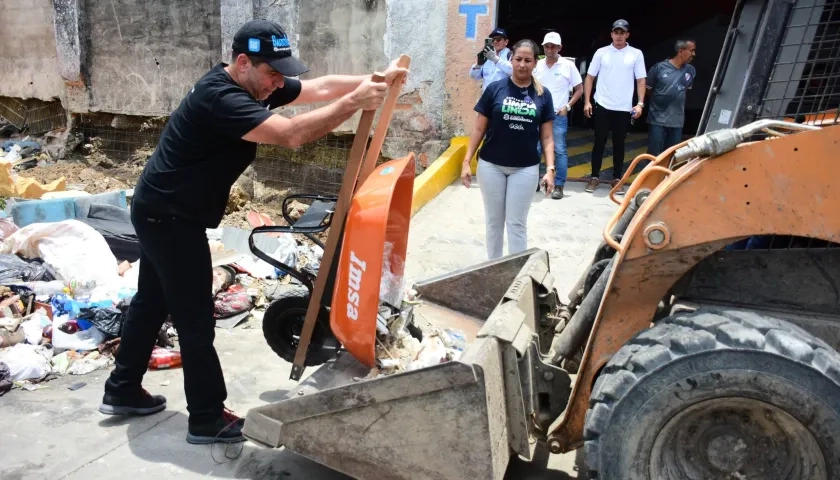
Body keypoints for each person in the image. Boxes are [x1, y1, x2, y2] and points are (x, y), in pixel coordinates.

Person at [98, 19, 408, 445]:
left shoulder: (255, 83)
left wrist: (374, 80)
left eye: (281, 74)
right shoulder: (220, 98)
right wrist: (356, 101)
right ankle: (206, 417)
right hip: (170, 217)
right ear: (242, 62)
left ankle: (121, 389)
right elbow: (292, 134)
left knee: (152, 301)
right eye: (271, 73)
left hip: (162, 207)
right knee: (194, 318)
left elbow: (317, 88)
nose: (277, 83)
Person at [460, 39, 557, 260]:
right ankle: (493, 270)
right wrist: (467, 161)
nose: (522, 64)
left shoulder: (543, 95)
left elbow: (548, 136)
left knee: (516, 224)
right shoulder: (495, 89)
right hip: (491, 166)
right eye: (518, 59)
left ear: (535, 63)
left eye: (528, 60)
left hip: (525, 169)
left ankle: (516, 276)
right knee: (494, 223)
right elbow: (478, 128)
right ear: (511, 60)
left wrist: (550, 168)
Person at [583, 19, 646, 195]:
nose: (618, 36)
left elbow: (641, 79)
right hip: (602, 104)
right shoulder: (602, 53)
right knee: (599, 142)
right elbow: (589, 77)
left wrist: (640, 103)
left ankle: (617, 179)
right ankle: (594, 177)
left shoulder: (636, 54)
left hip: (624, 107)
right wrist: (587, 101)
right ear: (611, 34)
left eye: (622, 33)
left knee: (620, 144)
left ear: (627, 35)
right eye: (615, 32)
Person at [534, 31, 583, 200]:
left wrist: (568, 106)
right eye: (547, 46)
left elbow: (579, 89)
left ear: (559, 48)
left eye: (553, 46)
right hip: (538, 115)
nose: (549, 49)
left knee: (559, 150)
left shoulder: (568, 66)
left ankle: (559, 185)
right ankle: (534, 181)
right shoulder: (537, 65)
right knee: (536, 148)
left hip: (557, 115)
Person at [646, 39, 697, 156]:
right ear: (681, 51)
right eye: (691, 50)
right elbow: (648, 90)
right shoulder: (659, 68)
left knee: (672, 156)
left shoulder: (691, 70)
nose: (694, 54)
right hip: (658, 119)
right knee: (654, 156)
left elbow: (684, 92)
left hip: (677, 121)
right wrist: (660, 102)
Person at [469, 28, 513, 92]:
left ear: (506, 42)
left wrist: (495, 59)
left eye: (498, 39)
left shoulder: (510, 55)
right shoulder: (487, 55)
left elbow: (513, 71)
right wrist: (478, 64)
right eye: (493, 40)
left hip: (502, 97)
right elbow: (474, 76)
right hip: (487, 96)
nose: (495, 42)